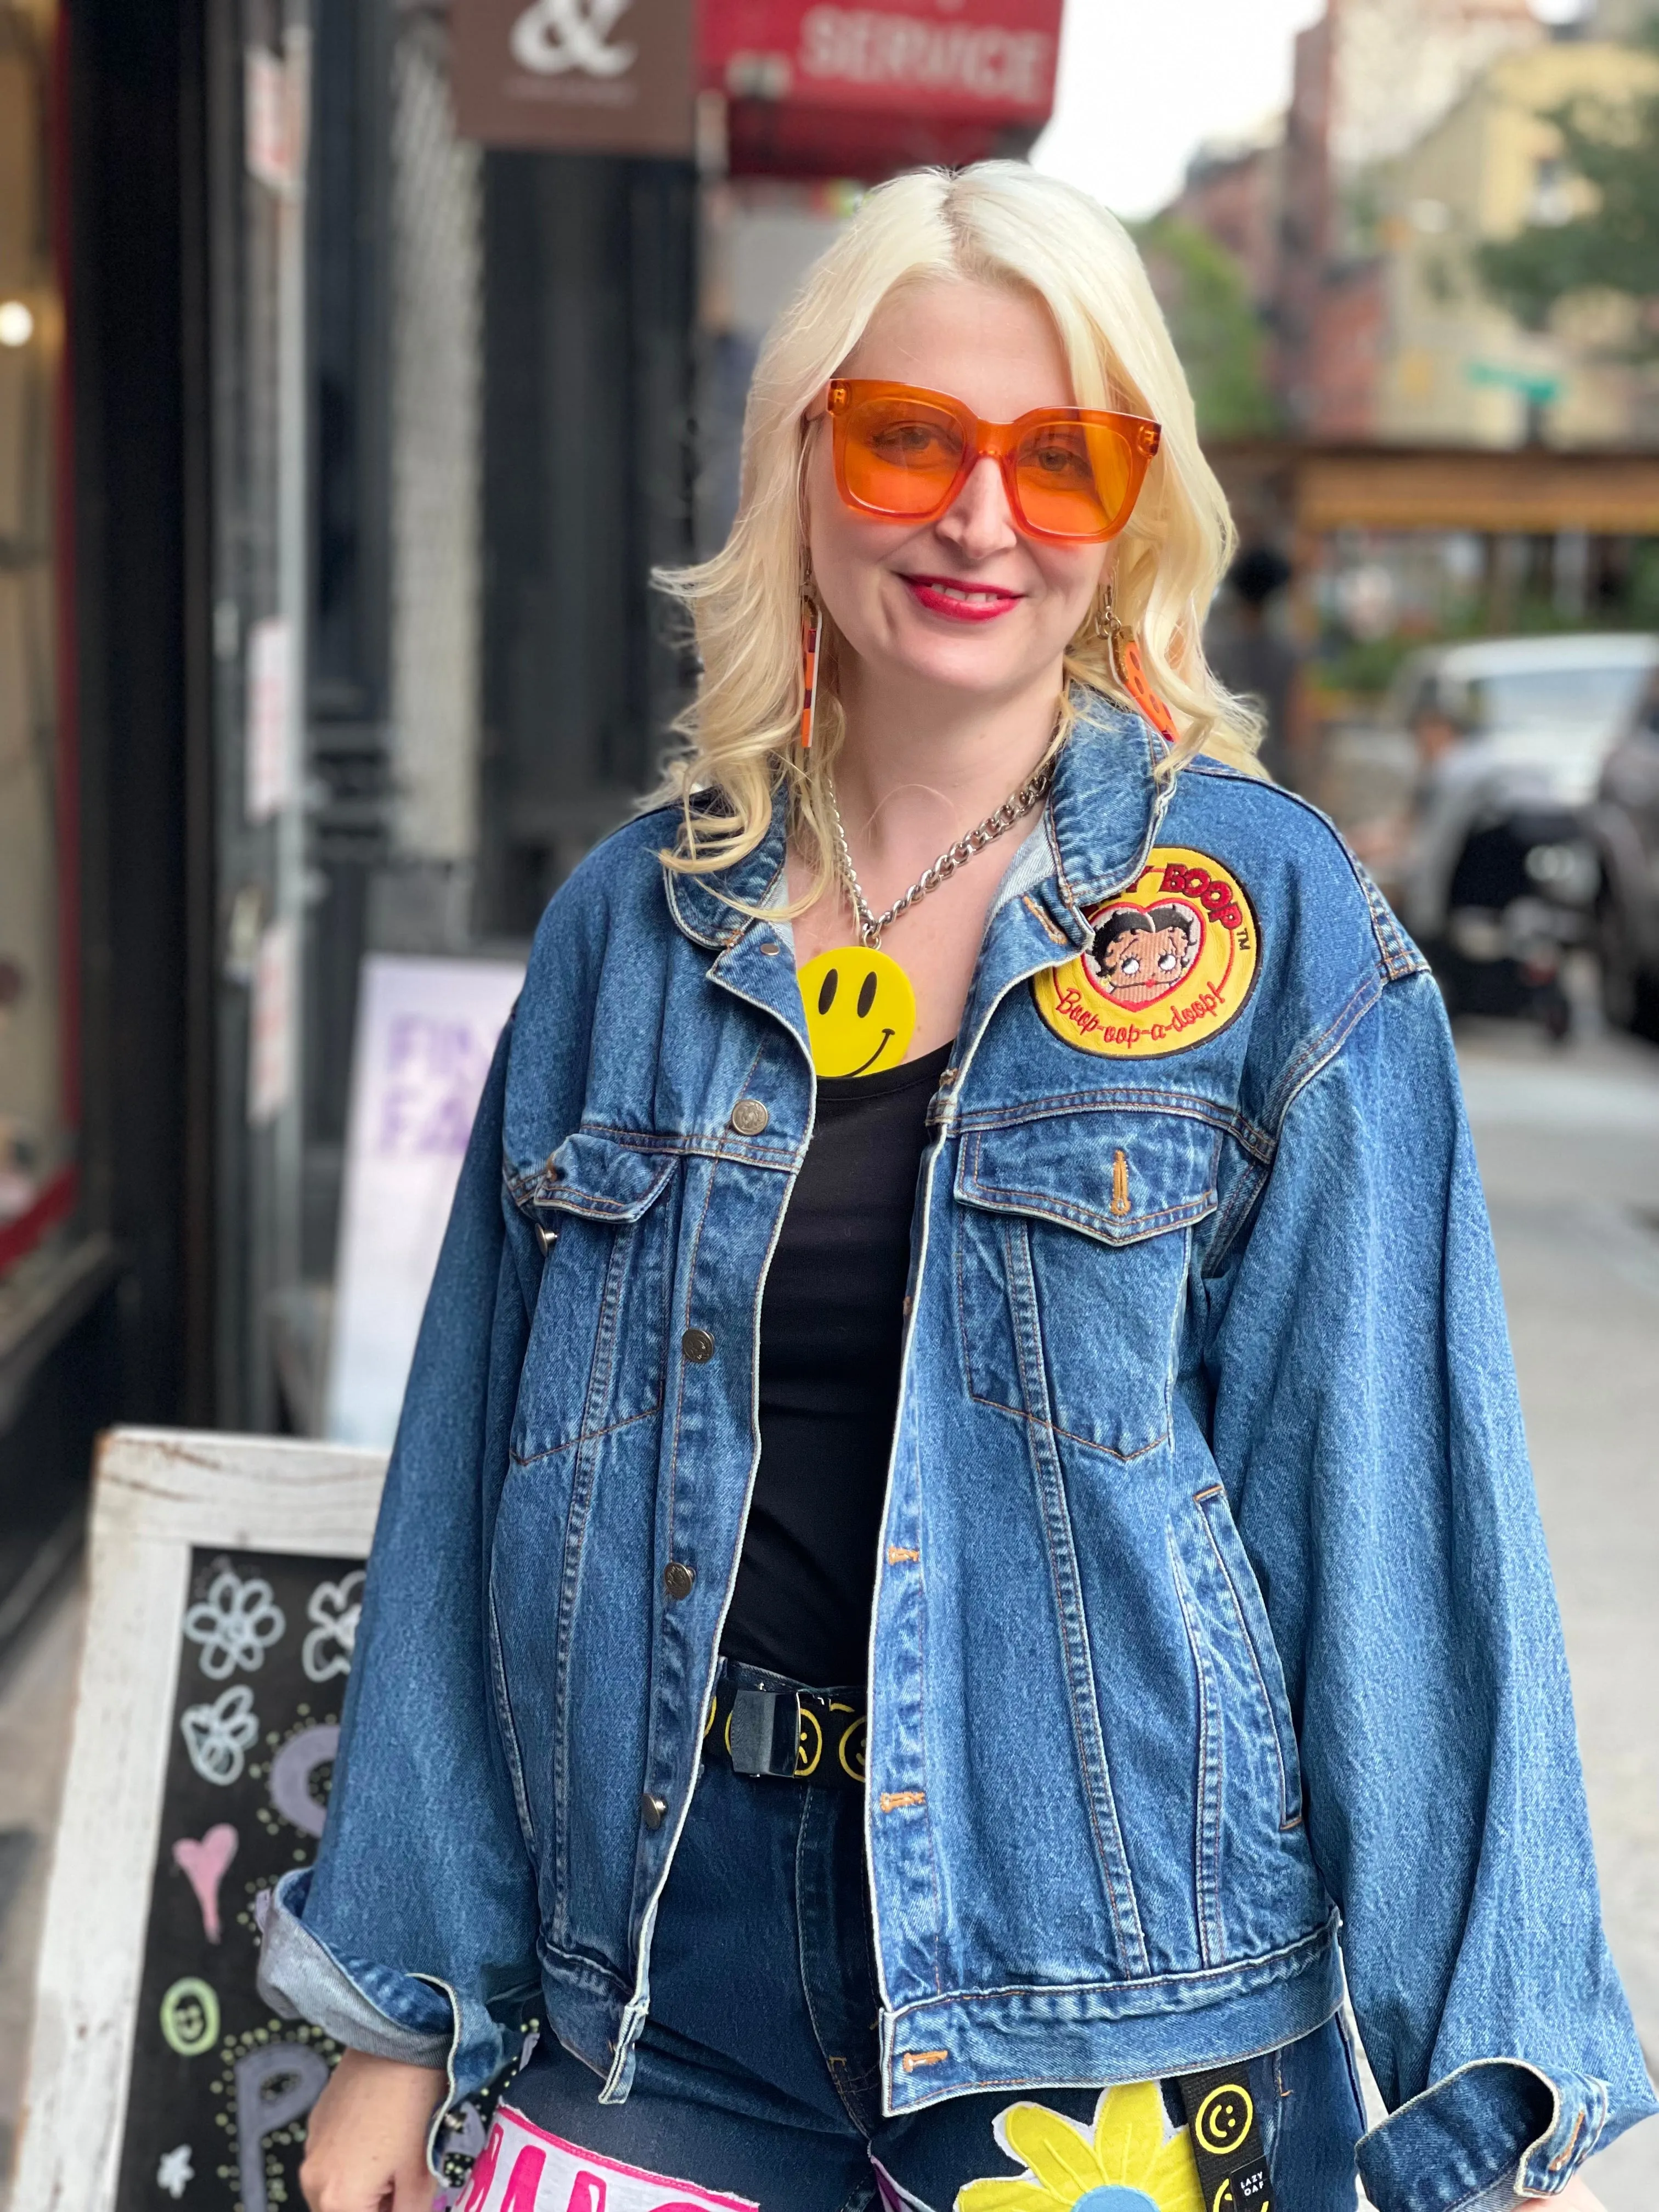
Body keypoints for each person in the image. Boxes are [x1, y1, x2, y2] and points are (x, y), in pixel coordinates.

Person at [263, 166, 1651, 2212]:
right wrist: (398, 2012)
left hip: (1116, 1999)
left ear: (1135, 508)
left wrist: (1485, 2087)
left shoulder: (1265, 928)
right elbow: (474, 1487)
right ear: (804, 463)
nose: (979, 518)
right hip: (654, 1979)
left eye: (1059, 460)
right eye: (909, 437)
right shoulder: (628, 937)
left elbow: (1393, 1517)